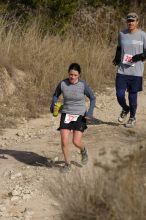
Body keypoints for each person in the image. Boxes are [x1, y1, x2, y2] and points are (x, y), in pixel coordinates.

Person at [50, 63, 96, 172]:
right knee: (64, 141)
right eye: (71, 74)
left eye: (75, 75)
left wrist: (89, 113)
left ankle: (83, 150)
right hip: (66, 114)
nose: (72, 77)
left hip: (80, 115)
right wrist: (54, 104)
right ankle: (67, 165)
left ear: (79, 75)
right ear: (68, 73)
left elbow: (93, 98)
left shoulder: (83, 85)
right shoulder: (62, 84)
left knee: (76, 141)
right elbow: (55, 95)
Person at [113, 12, 146, 128]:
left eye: (133, 21)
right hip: (122, 70)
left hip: (136, 72)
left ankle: (132, 117)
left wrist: (138, 57)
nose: (130, 23)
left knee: (132, 96)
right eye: (129, 21)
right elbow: (119, 47)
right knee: (119, 94)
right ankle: (125, 108)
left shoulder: (143, 35)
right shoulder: (122, 34)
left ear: (137, 22)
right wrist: (117, 58)